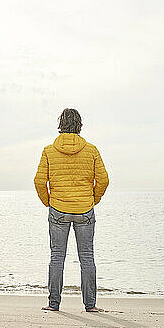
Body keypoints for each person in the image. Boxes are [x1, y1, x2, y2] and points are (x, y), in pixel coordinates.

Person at [34, 108, 109, 312]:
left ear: (61, 124)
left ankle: (53, 304)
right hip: (84, 209)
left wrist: (48, 201)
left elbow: (39, 181)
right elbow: (103, 180)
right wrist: (93, 200)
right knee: (87, 257)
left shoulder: (49, 150)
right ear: (79, 125)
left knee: (57, 256)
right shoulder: (91, 150)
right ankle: (90, 305)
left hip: (58, 208)